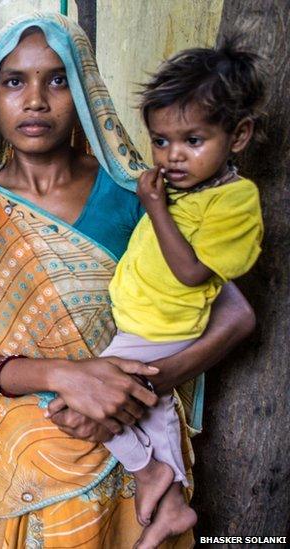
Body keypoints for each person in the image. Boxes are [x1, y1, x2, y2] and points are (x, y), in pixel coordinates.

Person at [0, 14, 257, 548]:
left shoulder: (141, 196)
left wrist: (141, 386)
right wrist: (69, 378)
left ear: (87, 90)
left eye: (58, 79)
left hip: (131, 476)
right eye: (15, 81)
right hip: (20, 469)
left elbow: (235, 315)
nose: (36, 99)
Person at [93, 39, 263, 549]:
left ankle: (149, 473)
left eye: (193, 140)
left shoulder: (234, 200)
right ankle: (174, 505)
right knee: (157, 407)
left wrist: (156, 208)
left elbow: (191, 273)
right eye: (162, 142)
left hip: (163, 328)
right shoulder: (189, 189)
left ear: (238, 136)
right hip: (143, 322)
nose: (173, 156)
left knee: (96, 401)